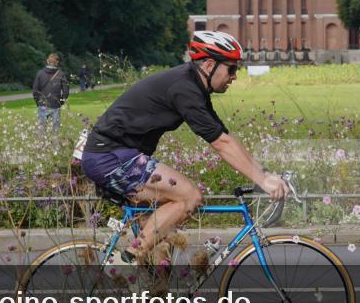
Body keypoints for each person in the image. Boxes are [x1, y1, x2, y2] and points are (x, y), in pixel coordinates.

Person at [80, 31, 289, 264]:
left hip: (117, 155)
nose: (234, 76)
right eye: (231, 69)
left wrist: (264, 173)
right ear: (209, 65)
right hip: (110, 156)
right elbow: (220, 144)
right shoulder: (184, 88)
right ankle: (126, 262)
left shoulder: (193, 86)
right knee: (190, 197)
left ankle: (146, 278)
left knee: (161, 253)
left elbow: (224, 135)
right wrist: (262, 181)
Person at [32, 53, 69, 135]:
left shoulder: (40, 73)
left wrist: (38, 102)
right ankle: (55, 143)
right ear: (57, 62)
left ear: (47, 61)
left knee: (42, 130)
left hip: (42, 104)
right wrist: (61, 102)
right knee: (55, 131)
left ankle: (42, 143)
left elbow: (35, 91)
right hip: (55, 105)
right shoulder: (61, 74)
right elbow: (66, 92)